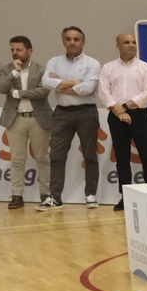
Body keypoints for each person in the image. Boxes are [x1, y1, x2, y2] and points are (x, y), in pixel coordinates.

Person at [42, 26, 103, 209]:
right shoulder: (54, 61)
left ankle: (91, 195)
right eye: (68, 39)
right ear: (63, 41)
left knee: (90, 155)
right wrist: (75, 82)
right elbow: (45, 82)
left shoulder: (92, 63)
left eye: (76, 39)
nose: (72, 42)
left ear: (82, 42)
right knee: (57, 156)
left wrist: (59, 84)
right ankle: (55, 197)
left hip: (86, 112)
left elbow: (88, 88)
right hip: (61, 113)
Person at [98, 33, 147, 209]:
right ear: (118, 45)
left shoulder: (145, 67)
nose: (131, 45)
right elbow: (103, 92)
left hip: (140, 115)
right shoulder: (108, 68)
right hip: (116, 116)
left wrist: (124, 106)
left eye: (133, 42)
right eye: (127, 42)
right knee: (122, 158)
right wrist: (117, 110)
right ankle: (125, 197)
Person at [0, 36, 50, 210]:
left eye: (18, 49)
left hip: (38, 118)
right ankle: (17, 195)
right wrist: (14, 73)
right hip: (15, 119)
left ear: (29, 51)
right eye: (12, 50)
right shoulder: (7, 70)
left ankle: (46, 194)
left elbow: (44, 91)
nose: (15, 53)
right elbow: (1, 88)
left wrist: (19, 93)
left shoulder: (41, 69)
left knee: (42, 158)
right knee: (17, 159)